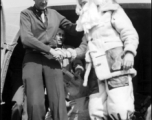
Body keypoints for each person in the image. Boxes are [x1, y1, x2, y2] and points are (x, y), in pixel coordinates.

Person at [64, 0, 139, 119]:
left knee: (120, 107)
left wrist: (129, 52)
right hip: (95, 71)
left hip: (115, 66)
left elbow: (129, 33)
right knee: (96, 110)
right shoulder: (88, 22)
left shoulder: (112, 10)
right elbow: (84, 47)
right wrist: (69, 53)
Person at [20, 0, 81, 120]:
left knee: (58, 102)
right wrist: (50, 50)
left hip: (51, 59)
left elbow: (73, 29)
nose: (43, 2)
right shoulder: (26, 14)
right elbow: (26, 38)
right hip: (33, 57)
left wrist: (86, 19)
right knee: (35, 104)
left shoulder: (55, 14)